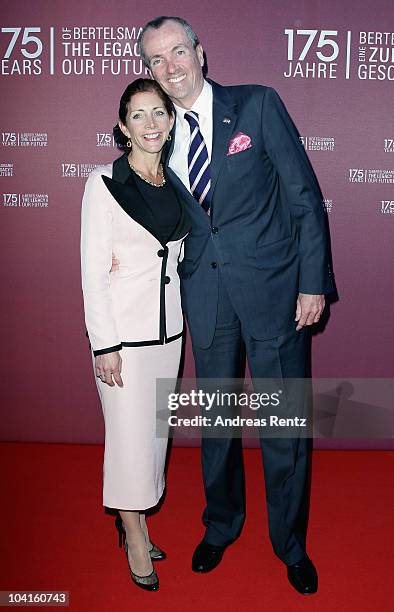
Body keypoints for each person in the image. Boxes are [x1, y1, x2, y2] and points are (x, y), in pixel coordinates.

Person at [138, 16, 335, 595]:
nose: (170, 66)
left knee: (283, 426)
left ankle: (290, 545)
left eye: (178, 51)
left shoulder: (257, 106)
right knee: (217, 426)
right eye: (156, 60)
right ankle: (221, 526)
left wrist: (312, 281)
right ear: (147, 71)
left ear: (200, 51)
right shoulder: (157, 132)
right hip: (207, 295)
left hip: (276, 290)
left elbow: (303, 196)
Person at [80, 78, 190, 591]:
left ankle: (139, 519)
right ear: (123, 127)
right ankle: (134, 534)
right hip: (122, 338)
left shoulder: (176, 181)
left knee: (152, 439)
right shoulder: (104, 183)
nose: (150, 124)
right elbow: (93, 272)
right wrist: (104, 344)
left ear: (170, 122)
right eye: (138, 115)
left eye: (158, 113)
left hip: (168, 334)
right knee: (126, 441)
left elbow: (178, 253)